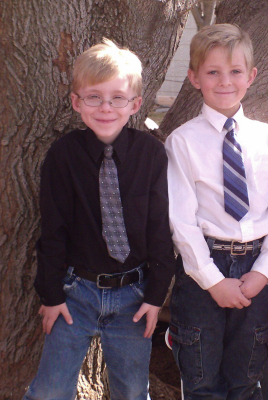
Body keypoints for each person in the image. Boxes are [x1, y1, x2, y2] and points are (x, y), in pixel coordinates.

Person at [24, 39, 175, 400]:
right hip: (76, 293)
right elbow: (53, 229)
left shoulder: (151, 155)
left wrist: (155, 296)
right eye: (94, 97)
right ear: (76, 102)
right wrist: (51, 293)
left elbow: (159, 230)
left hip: (135, 296)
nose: (106, 107)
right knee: (49, 391)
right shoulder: (63, 155)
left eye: (117, 98)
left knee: (132, 390)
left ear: (135, 104)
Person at [165, 23, 268, 399]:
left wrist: (264, 272)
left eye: (235, 71)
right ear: (194, 78)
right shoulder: (183, 142)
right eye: (213, 72)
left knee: (248, 377)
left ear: (251, 76)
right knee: (201, 376)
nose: (225, 81)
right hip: (202, 269)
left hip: (256, 267)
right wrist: (212, 280)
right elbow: (181, 220)